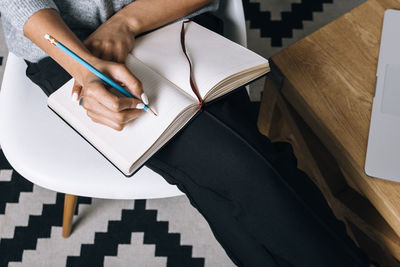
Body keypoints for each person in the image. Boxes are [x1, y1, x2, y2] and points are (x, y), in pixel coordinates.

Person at [1, 1, 372, 266]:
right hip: (62, 46)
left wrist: (126, 23)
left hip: (165, 18)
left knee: (238, 175)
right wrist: (83, 68)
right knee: (248, 169)